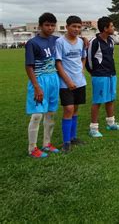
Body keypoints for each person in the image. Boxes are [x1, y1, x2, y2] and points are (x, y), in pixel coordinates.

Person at [25, 12, 61, 158]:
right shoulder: (32, 43)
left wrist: (83, 39)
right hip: (39, 80)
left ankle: (47, 143)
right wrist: (36, 87)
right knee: (37, 115)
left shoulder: (57, 40)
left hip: (54, 79)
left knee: (51, 113)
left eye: (53, 25)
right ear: (40, 26)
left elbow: (71, 40)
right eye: (47, 25)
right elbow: (29, 66)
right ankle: (32, 148)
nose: (50, 28)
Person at [87, 16, 119, 138]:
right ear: (105, 28)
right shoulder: (94, 41)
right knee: (97, 101)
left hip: (111, 74)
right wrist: (95, 73)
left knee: (110, 99)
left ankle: (111, 123)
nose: (114, 28)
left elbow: (111, 58)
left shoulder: (111, 41)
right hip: (99, 76)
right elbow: (89, 61)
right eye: (112, 26)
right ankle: (93, 128)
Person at [55, 15, 87, 153]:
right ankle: (66, 142)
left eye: (79, 27)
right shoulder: (60, 42)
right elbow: (58, 63)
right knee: (68, 109)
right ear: (67, 27)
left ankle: (73, 138)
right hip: (66, 83)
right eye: (74, 26)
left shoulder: (81, 42)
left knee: (75, 109)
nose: (76, 29)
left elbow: (83, 57)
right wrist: (67, 80)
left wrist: (82, 69)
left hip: (79, 81)